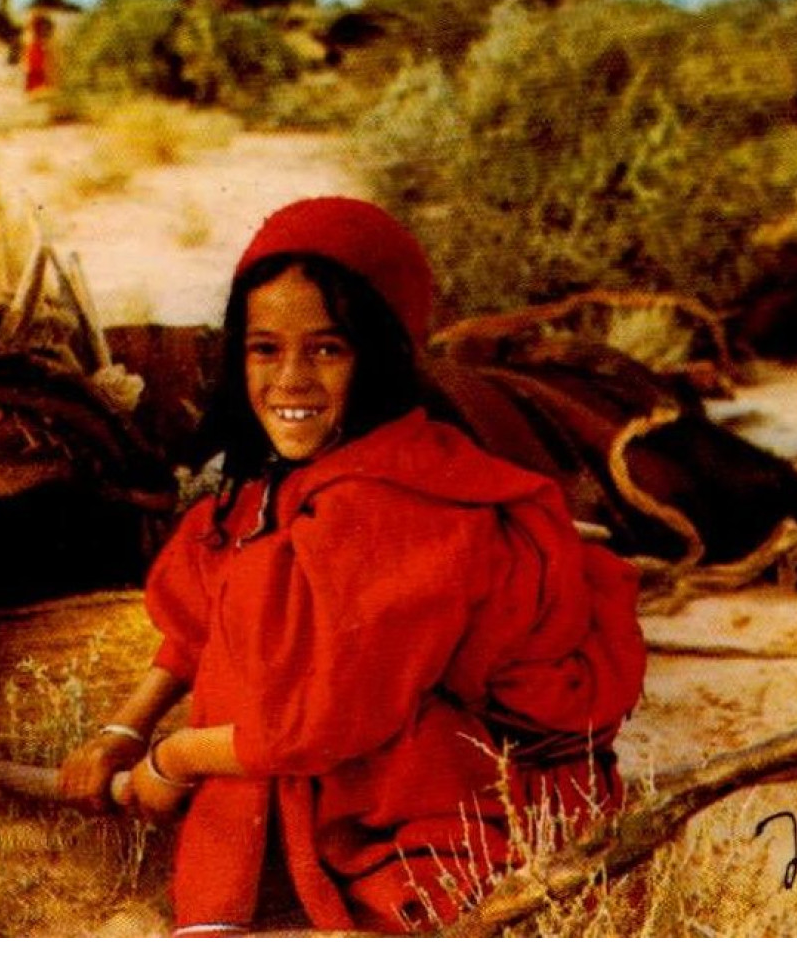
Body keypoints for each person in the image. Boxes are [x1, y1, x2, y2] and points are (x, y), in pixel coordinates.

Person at [58, 196, 646, 935]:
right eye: (265, 349)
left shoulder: (394, 502)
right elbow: (209, 608)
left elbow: (321, 725)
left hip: (436, 786)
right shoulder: (295, 475)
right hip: (334, 748)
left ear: (378, 356)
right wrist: (122, 730)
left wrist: (174, 758)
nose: (290, 380)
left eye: (327, 350)